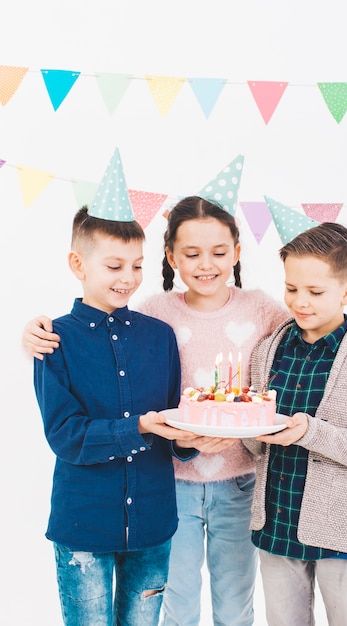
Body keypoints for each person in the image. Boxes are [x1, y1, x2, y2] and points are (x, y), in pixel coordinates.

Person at [24, 198, 347, 626]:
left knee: (235, 602)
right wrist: (34, 333)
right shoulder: (154, 314)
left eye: (220, 253)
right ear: (170, 257)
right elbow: (108, 331)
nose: (206, 264)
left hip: (244, 484)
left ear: (238, 253)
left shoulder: (265, 312)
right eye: (191, 254)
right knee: (178, 605)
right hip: (173, 485)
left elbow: (321, 324)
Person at [32, 151, 217, 626]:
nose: (128, 278)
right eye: (115, 266)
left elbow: (173, 425)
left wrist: (187, 440)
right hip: (83, 526)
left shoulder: (159, 336)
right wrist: (138, 428)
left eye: (137, 266)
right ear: (78, 263)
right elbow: (66, 436)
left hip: (155, 524)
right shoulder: (56, 340)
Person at [246, 222, 347, 626]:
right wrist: (247, 429)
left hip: (343, 533)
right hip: (277, 524)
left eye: (315, 292)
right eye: (291, 289)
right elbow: (255, 445)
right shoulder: (267, 351)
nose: (300, 302)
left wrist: (309, 431)